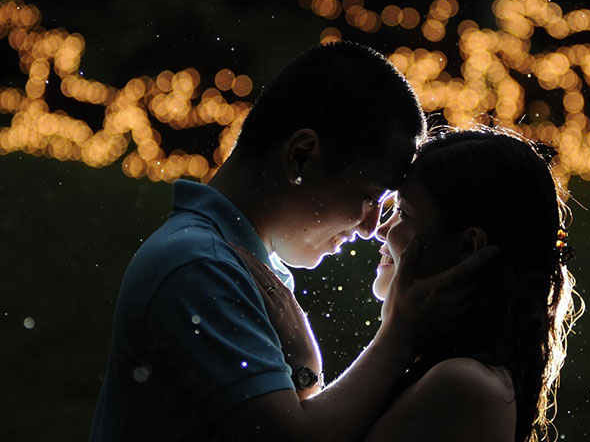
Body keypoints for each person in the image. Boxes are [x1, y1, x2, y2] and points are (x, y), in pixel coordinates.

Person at [90, 41, 496, 441]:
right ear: (301, 155)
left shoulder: (243, 264)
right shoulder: (200, 266)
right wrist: (401, 332)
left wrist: (304, 371)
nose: (374, 227)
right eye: (371, 197)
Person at [365, 127, 581, 442]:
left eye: (403, 213)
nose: (381, 230)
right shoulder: (453, 371)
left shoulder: (462, 384)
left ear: (468, 246)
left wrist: (303, 369)